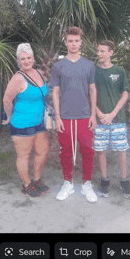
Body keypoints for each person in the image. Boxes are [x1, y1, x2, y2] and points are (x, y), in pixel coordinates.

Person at [50, 26, 97, 202]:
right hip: (66, 117)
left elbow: (92, 90)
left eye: (76, 41)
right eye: (70, 41)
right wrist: (57, 116)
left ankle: (86, 184)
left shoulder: (88, 65)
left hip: (85, 116)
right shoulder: (58, 66)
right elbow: (55, 92)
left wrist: (93, 115)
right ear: (66, 42)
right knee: (66, 152)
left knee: (87, 151)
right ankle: (68, 183)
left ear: (81, 42)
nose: (74, 44)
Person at [2, 43, 50, 197]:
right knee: (24, 155)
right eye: (23, 59)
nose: (26, 61)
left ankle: (36, 180)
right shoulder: (18, 78)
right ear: (18, 61)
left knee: (42, 151)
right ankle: (27, 185)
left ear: (33, 58)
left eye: (29, 58)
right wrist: (9, 116)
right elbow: (6, 100)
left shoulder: (39, 73)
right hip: (22, 123)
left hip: (39, 121)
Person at [93, 40, 130, 198]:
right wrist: (99, 114)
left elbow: (125, 94)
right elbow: (90, 94)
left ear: (111, 53)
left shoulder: (119, 70)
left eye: (102, 51)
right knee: (101, 152)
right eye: (98, 51)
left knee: (121, 151)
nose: (99, 54)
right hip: (100, 120)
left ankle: (124, 182)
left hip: (117, 120)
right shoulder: (93, 71)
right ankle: (104, 181)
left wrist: (112, 114)